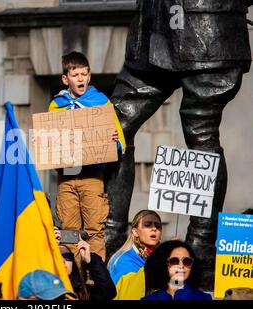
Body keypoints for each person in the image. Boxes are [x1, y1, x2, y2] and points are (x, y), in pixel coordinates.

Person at [104, 0, 253, 291]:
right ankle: (108, 235)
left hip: (209, 31)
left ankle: (200, 245)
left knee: (202, 131)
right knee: (113, 126)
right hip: (152, 33)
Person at [48, 51, 126, 264]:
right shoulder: (57, 105)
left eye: (84, 74)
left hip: (92, 175)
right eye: (75, 75)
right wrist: (43, 141)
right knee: (68, 231)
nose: (80, 78)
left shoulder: (101, 102)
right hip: (66, 176)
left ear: (90, 76)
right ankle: (76, 280)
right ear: (66, 79)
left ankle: (95, 280)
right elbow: (50, 138)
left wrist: (114, 140)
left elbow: (120, 143)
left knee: (95, 229)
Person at [107, 209, 162, 300]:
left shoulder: (161, 258)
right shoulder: (123, 260)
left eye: (158, 226)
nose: (154, 228)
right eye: (148, 225)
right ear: (135, 232)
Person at [54, 227, 116, 300]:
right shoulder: (39, 292)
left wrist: (91, 260)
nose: (62, 260)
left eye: (67, 256)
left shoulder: (83, 292)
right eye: (55, 255)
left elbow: (108, 293)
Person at [142, 240, 212, 300]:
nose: (181, 266)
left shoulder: (204, 298)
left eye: (187, 261)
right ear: (162, 264)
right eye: (174, 261)